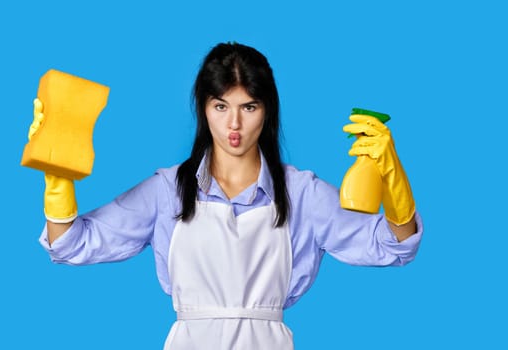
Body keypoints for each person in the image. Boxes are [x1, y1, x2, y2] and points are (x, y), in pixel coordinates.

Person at [33, 42, 423, 349]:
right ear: (204, 110)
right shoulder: (167, 190)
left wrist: (394, 179)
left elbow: (393, 247)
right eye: (221, 106)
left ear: (266, 111)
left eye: (248, 107)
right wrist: (57, 178)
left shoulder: (302, 193)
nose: (234, 124)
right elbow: (70, 244)